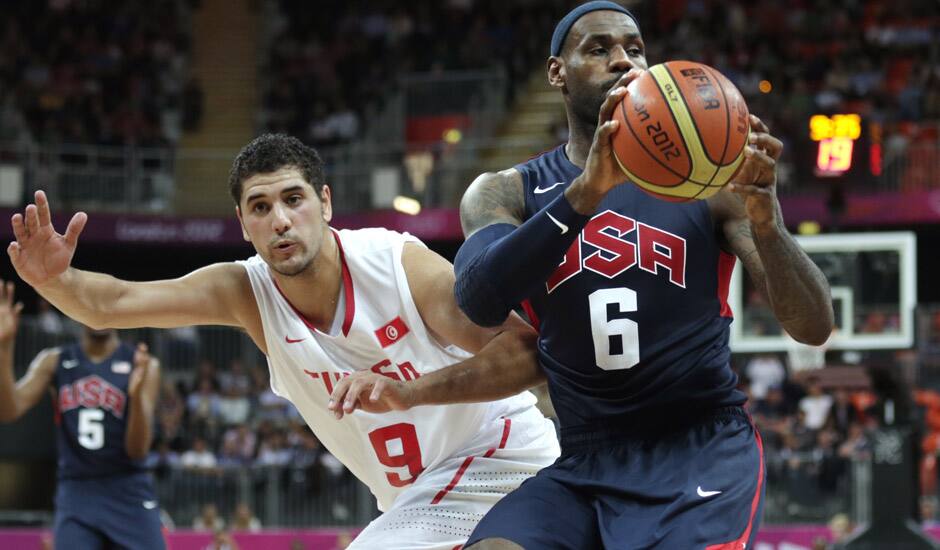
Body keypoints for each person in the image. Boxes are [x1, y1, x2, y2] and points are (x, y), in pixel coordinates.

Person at [335, 2, 834, 548]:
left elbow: (813, 326)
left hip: (697, 444)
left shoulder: (708, 186)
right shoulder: (505, 192)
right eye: (599, 49)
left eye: (635, 49)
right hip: (584, 458)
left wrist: (767, 220)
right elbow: (479, 299)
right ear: (558, 72)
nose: (624, 61)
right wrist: (585, 193)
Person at [7, 133, 559, 550]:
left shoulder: (395, 264)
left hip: (498, 455)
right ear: (243, 223)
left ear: (325, 202)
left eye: (293, 199)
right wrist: (54, 279)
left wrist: (412, 393)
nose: (280, 221)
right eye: (260, 207)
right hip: (418, 496)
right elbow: (114, 304)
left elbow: (522, 350)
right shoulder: (244, 292)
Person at [0, 282, 164, 549]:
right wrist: (4, 347)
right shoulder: (53, 360)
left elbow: (138, 450)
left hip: (127, 487)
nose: (98, 310)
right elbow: (9, 409)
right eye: (89, 302)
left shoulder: (143, 364)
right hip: (77, 489)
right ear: (74, 309)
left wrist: (133, 397)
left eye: (105, 301)